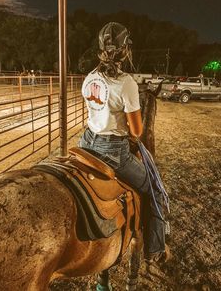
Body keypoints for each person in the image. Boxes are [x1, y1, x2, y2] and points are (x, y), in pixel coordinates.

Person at [78, 22, 169, 263]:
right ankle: (155, 249)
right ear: (125, 50)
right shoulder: (126, 83)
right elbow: (137, 131)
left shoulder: (89, 78)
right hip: (112, 151)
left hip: (86, 143)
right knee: (156, 190)